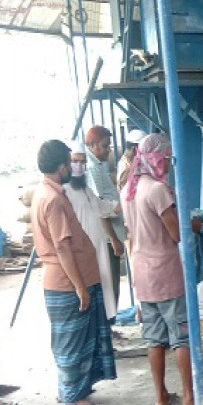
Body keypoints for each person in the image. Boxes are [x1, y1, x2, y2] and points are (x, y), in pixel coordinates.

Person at [122, 134, 203, 405]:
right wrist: (192, 223)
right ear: (157, 157)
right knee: (181, 336)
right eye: (166, 158)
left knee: (154, 339)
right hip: (165, 271)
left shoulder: (129, 191)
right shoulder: (157, 190)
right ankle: (191, 399)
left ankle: (161, 396)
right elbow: (175, 232)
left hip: (141, 273)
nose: (168, 164)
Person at [31, 140, 116, 405]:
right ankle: (72, 401)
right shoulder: (53, 199)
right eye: (70, 162)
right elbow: (62, 247)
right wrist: (81, 288)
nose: (73, 167)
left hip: (65, 281)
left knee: (74, 339)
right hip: (66, 283)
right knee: (72, 342)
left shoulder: (46, 192)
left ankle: (73, 391)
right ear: (61, 166)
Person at [64, 149, 123, 322]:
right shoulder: (64, 192)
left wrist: (128, 199)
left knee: (105, 289)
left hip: (98, 248)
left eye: (83, 162)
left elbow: (104, 208)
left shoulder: (86, 190)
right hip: (82, 251)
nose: (80, 166)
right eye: (75, 161)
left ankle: (106, 328)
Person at [85, 125, 125, 316]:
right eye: (105, 146)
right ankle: (108, 325)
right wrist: (113, 239)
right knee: (110, 283)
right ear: (92, 145)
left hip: (110, 233)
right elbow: (99, 206)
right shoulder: (92, 168)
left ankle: (109, 325)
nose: (108, 150)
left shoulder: (97, 166)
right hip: (107, 237)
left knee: (111, 282)